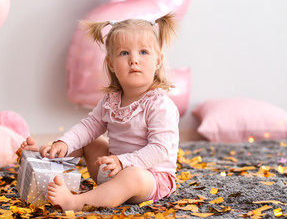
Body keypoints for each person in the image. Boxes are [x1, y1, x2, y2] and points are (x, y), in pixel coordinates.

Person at [18, 13, 180, 211]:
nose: (134, 60)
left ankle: (76, 202)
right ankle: (48, 154)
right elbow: (88, 127)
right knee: (91, 141)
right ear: (111, 63)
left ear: (158, 61)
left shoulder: (159, 104)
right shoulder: (111, 100)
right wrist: (65, 142)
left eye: (144, 52)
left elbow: (159, 150)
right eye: (124, 53)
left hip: (149, 178)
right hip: (111, 169)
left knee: (133, 175)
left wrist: (123, 162)